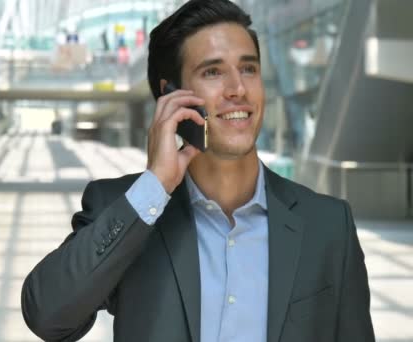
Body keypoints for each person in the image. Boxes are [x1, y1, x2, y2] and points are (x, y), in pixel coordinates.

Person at [21, 1, 375, 341]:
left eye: (248, 68)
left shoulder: (328, 226)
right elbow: (48, 316)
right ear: (171, 96)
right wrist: (155, 186)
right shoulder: (125, 209)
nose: (238, 89)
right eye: (213, 71)